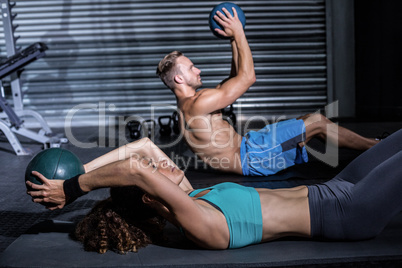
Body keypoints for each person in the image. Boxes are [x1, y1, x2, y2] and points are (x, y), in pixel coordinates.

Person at [27, 128, 402, 253]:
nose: (165, 163)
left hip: (336, 188)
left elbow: (140, 147)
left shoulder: (191, 199)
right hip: (350, 210)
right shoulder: (200, 226)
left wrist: (72, 175)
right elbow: (135, 168)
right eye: (159, 172)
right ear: (149, 195)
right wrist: (72, 190)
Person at [156, 7, 379, 176]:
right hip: (252, 156)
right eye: (191, 67)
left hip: (251, 147)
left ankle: (372, 146)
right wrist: (240, 32)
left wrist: (234, 39)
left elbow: (235, 79)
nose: (198, 69)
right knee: (317, 123)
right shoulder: (199, 103)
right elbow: (247, 78)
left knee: (306, 122)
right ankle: (377, 147)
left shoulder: (189, 105)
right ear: (179, 78)